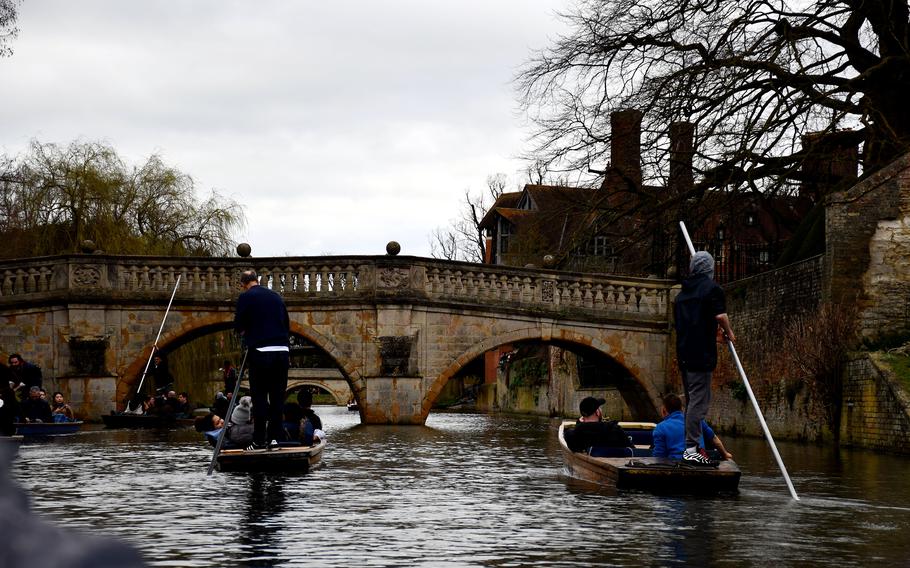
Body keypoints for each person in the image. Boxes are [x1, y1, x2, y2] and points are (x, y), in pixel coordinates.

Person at [675, 250, 736, 467]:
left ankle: (693, 447)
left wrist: (714, 334)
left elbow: (692, 325)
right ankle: (691, 449)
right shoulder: (712, 289)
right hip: (701, 355)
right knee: (699, 403)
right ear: (709, 269)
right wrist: (728, 331)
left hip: (684, 353)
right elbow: (720, 316)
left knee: (692, 401)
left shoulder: (681, 296)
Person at [234, 269, 290, 451]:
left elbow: (239, 326)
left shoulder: (246, 297)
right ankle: (275, 439)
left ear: (243, 284)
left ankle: (258, 440)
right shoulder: (276, 296)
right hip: (282, 351)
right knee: (277, 397)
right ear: (256, 280)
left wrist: (247, 333)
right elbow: (286, 324)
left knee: (259, 397)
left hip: (261, 350)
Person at [652, 393, 732, 461]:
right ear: (681, 409)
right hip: (699, 464)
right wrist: (725, 454)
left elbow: (659, 457)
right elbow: (714, 439)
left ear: (664, 410)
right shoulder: (697, 421)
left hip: (676, 466)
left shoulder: (660, 428)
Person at [564, 396, 633, 454]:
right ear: (597, 412)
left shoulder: (574, 435)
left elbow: (573, 436)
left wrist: (579, 424)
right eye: (599, 408)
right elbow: (631, 449)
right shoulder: (615, 430)